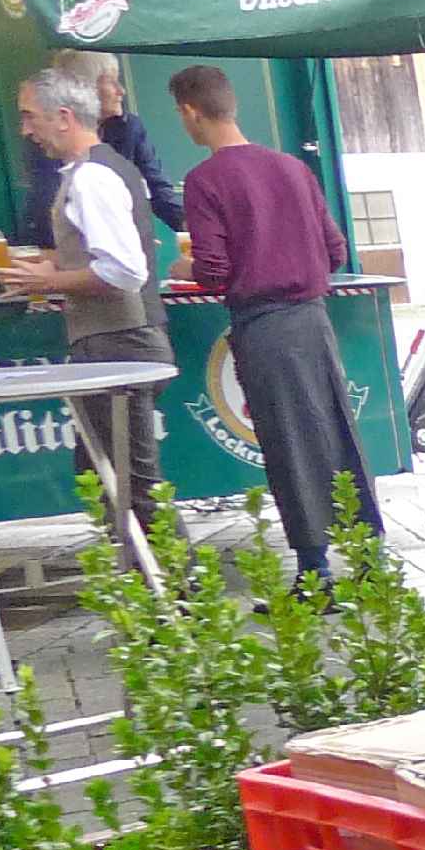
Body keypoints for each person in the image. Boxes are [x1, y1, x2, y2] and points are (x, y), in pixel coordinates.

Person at [171, 64, 386, 581]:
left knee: (287, 444)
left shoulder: (205, 180)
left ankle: (315, 573)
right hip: (313, 322)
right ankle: (368, 559)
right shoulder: (293, 168)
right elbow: (335, 251)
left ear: (191, 112)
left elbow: (214, 271)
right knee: (336, 431)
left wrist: (184, 269)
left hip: (263, 328)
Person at [0, 68, 173, 553]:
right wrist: (19, 267)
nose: (25, 129)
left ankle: (180, 587)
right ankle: (152, 585)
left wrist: (47, 281)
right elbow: (92, 258)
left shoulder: (92, 178)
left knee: (130, 484)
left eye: (30, 116)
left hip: (120, 341)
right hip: (117, 339)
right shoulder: (96, 171)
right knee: (107, 477)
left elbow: (124, 270)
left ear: (64, 116)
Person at [21, 54, 183, 249]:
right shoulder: (48, 140)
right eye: (111, 81)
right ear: (85, 88)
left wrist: (192, 225)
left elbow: (157, 189)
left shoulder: (129, 127)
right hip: (61, 247)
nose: (121, 91)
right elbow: (48, 201)